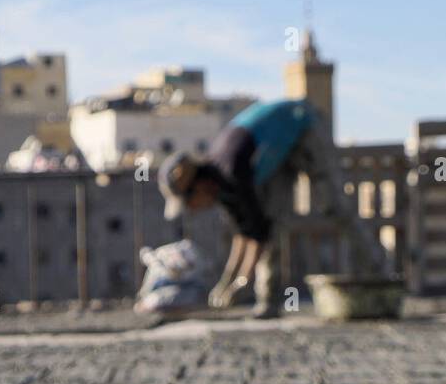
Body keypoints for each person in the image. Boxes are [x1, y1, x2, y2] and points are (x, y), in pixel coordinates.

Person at [158, 98, 387, 318]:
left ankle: (380, 280)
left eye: (189, 203)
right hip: (277, 151)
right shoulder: (220, 184)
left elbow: (257, 232)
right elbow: (244, 233)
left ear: (197, 187)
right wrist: (226, 282)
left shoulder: (231, 171)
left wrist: (241, 282)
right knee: (274, 219)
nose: (193, 209)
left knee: (334, 206)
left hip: (303, 125)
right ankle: (268, 302)